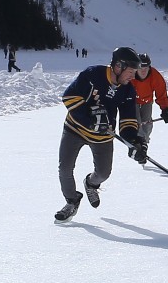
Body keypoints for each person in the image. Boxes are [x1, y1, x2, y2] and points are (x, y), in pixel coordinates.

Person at [54, 46, 146, 221]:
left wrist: (134, 141)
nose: (133, 76)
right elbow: (69, 97)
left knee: (103, 173)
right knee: (65, 169)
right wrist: (90, 118)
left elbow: (127, 120)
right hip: (74, 129)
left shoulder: (128, 90)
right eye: (131, 71)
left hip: (102, 137)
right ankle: (72, 201)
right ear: (118, 66)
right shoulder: (92, 74)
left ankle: (90, 184)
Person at [131, 53, 168, 141]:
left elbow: (161, 93)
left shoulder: (155, 75)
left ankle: (144, 143)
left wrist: (166, 109)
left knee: (147, 126)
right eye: (140, 68)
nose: (143, 71)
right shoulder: (130, 75)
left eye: (146, 68)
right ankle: (136, 143)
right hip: (132, 101)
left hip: (147, 101)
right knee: (136, 124)